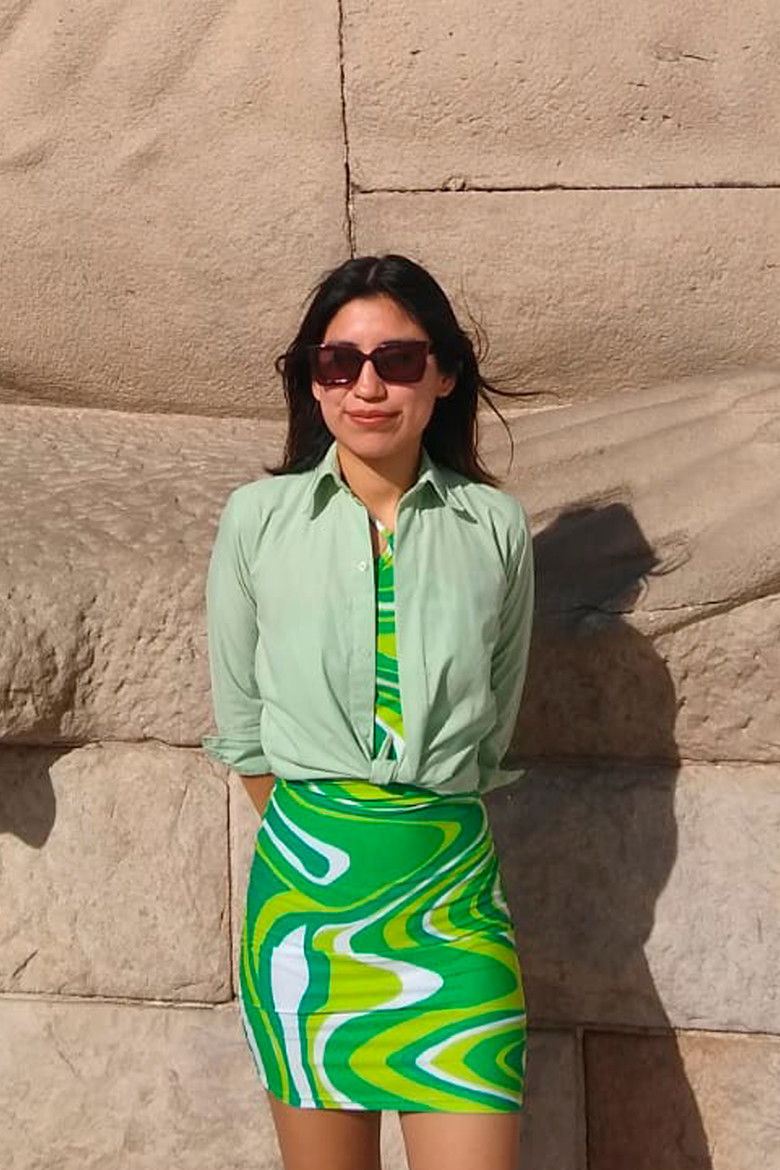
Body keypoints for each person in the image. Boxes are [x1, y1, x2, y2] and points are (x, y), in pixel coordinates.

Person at [202, 254, 535, 1170]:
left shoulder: (496, 526)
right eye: (338, 362)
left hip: (454, 916)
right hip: (305, 922)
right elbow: (242, 725)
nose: (368, 386)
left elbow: (494, 720)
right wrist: (325, 829)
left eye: (397, 359)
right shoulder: (257, 520)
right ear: (313, 381)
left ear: (444, 373)